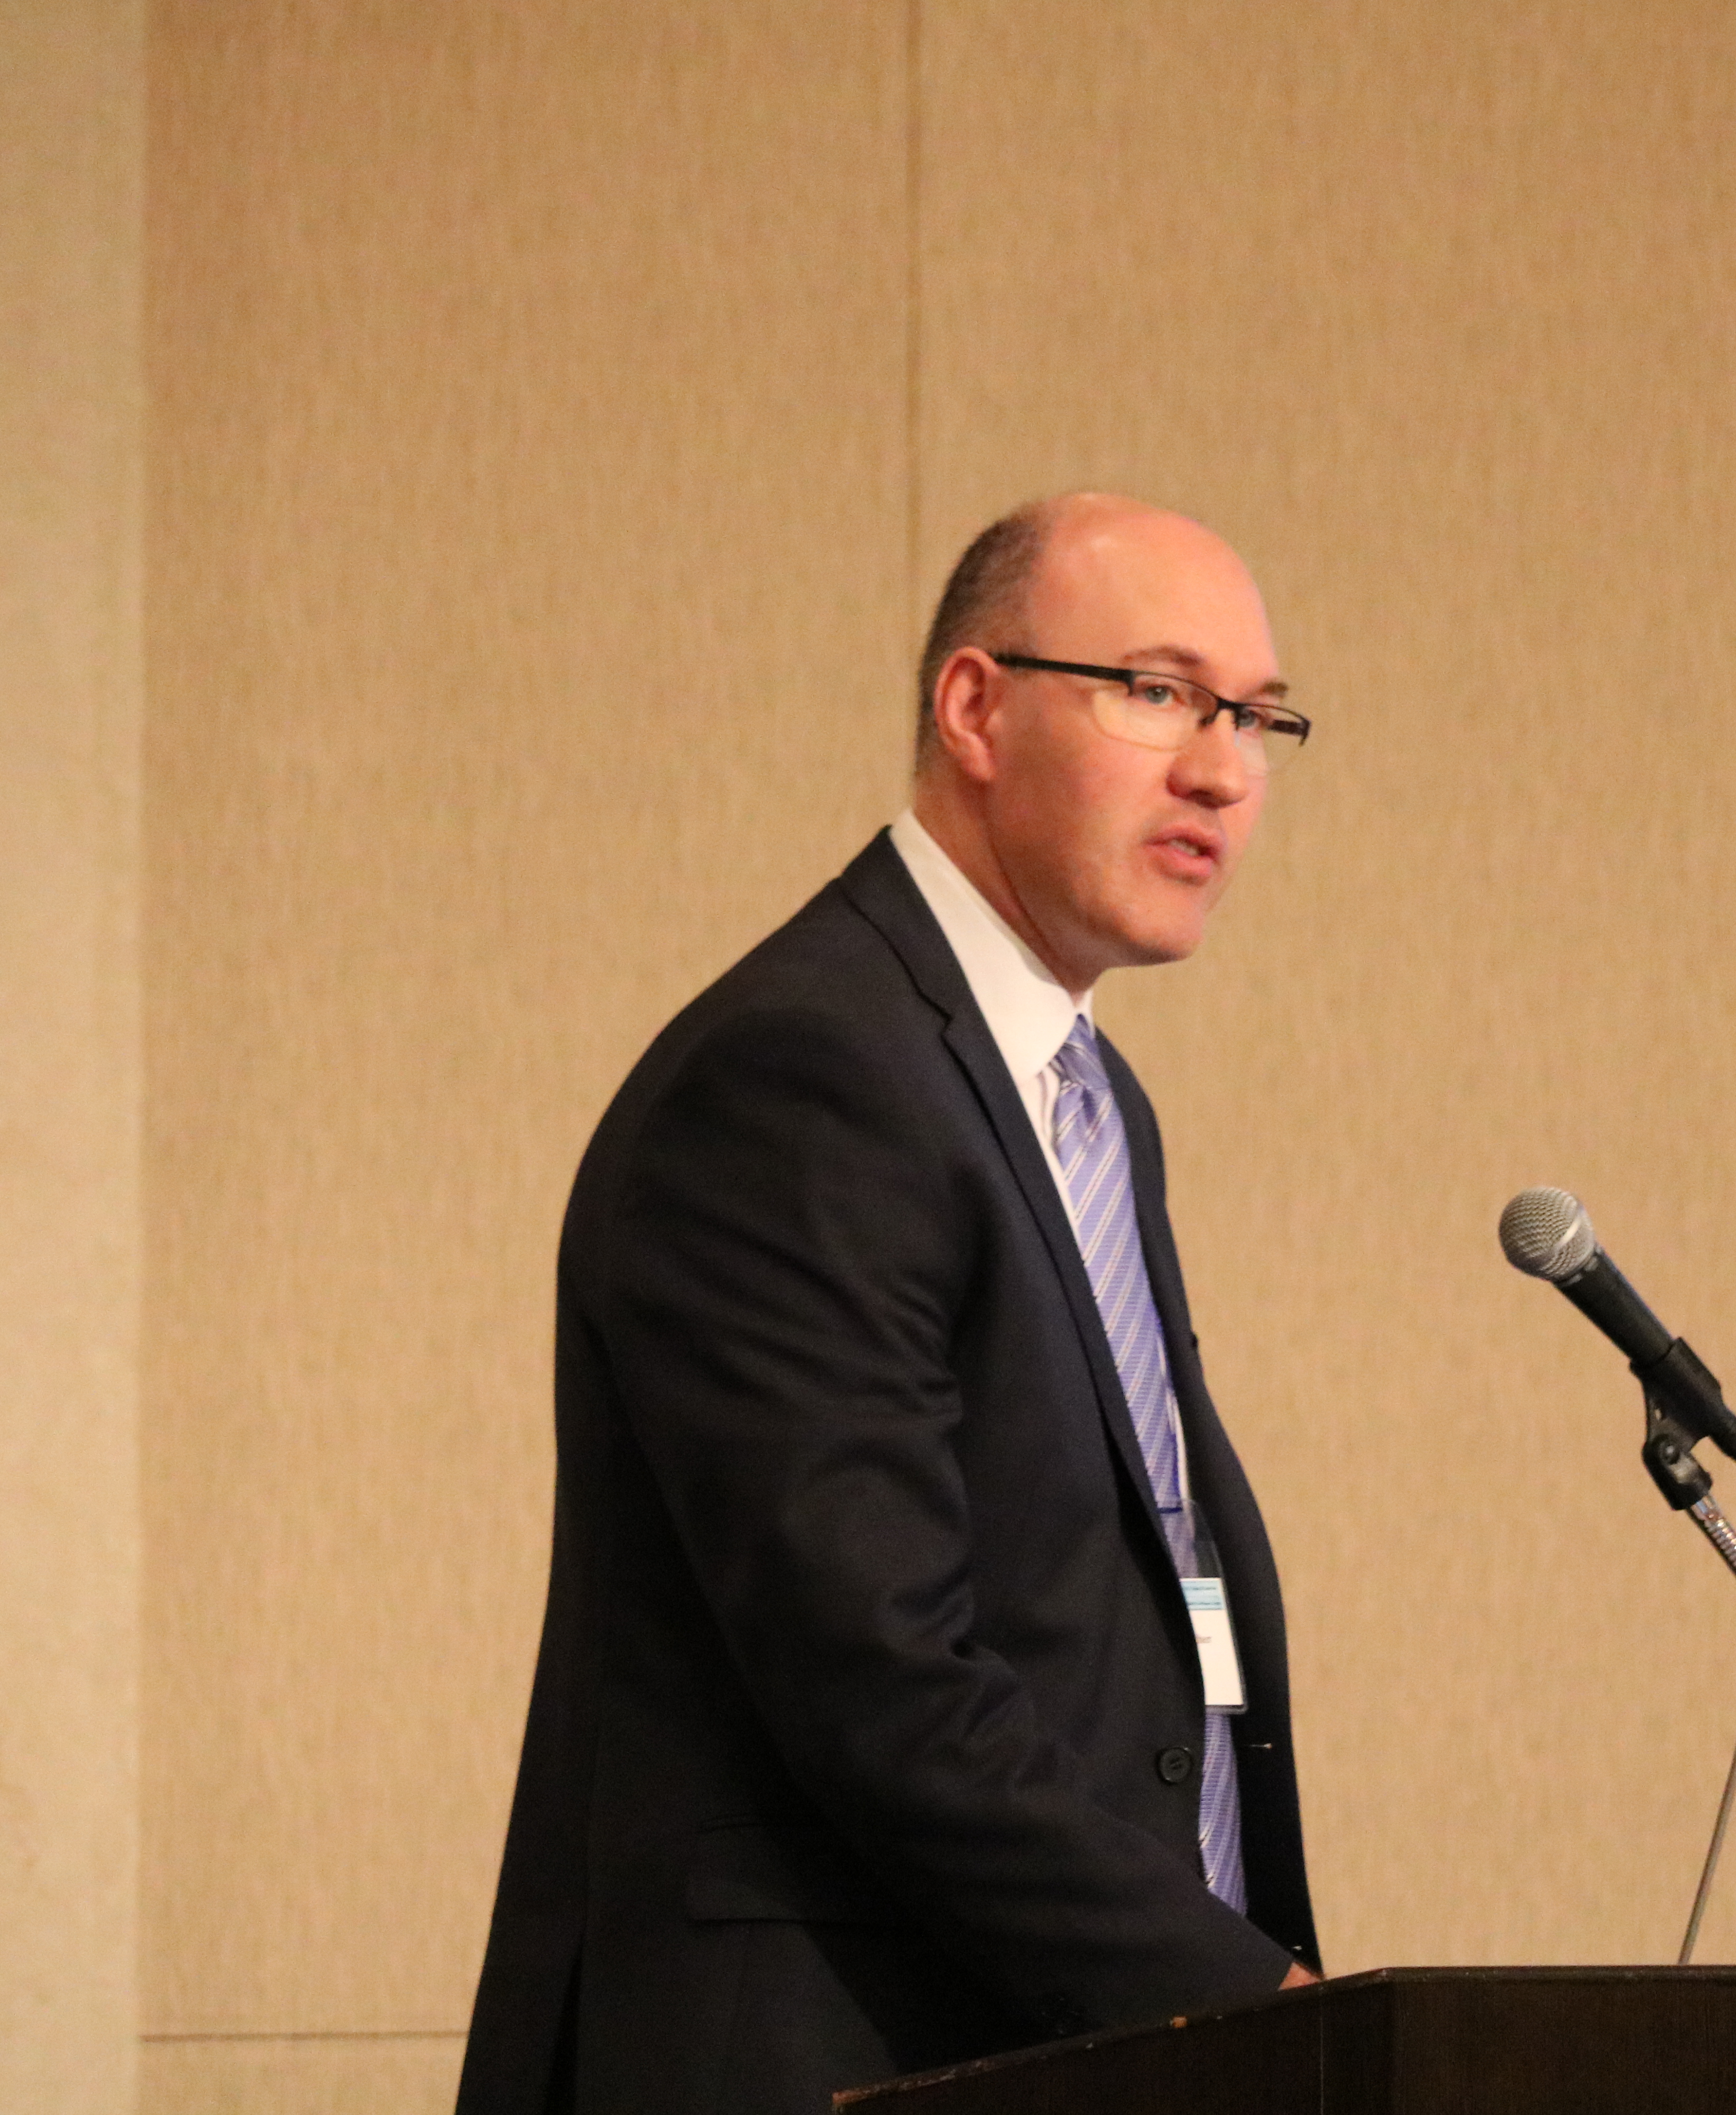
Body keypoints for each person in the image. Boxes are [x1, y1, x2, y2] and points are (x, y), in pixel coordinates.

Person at [456, 495, 1321, 2115]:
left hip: (1046, 2044)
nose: (1223, 766)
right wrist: (1239, 1993)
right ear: (976, 707)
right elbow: (879, 1676)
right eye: (1159, 691)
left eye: (1258, 716)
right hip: (826, 2060)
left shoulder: (1086, 1099)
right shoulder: (810, 1076)